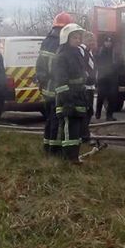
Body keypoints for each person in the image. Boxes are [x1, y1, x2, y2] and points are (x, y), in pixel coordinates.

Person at [52, 23, 96, 162]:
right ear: (66, 38)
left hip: (78, 96)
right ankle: (69, 159)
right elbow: (60, 82)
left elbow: (81, 74)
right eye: (75, 38)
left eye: (79, 37)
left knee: (77, 130)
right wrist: (67, 102)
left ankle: (74, 157)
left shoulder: (77, 54)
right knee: (69, 129)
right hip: (67, 99)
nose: (78, 40)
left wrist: (88, 81)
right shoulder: (62, 57)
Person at [35, 11, 72, 154]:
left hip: (47, 88)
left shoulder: (47, 41)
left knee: (50, 119)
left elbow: (40, 65)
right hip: (57, 88)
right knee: (57, 119)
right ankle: (55, 150)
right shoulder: (61, 44)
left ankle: (47, 146)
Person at [94, 35, 119, 121]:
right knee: (101, 95)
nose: (109, 43)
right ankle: (98, 112)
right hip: (103, 77)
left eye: (110, 41)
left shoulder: (114, 52)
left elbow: (119, 62)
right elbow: (98, 63)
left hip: (112, 77)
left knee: (112, 96)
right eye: (107, 41)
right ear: (104, 42)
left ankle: (109, 115)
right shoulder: (101, 51)